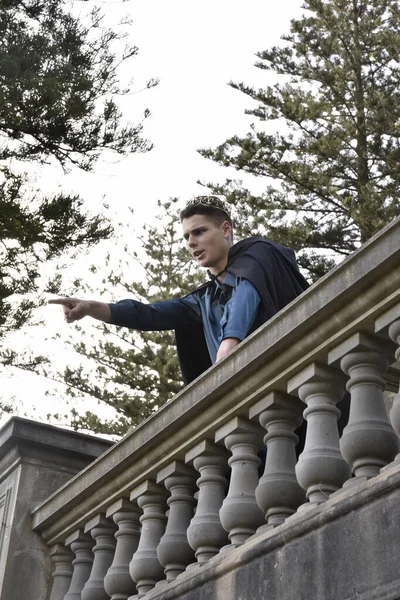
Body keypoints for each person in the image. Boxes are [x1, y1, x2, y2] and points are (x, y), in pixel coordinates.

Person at [49, 195, 309, 385]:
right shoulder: (203, 299)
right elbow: (148, 314)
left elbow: (244, 296)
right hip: (249, 405)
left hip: (290, 382)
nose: (191, 242)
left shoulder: (258, 252)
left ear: (226, 229)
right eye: (186, 237)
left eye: (199, 231)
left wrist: (227, 349)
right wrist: (90, 308)